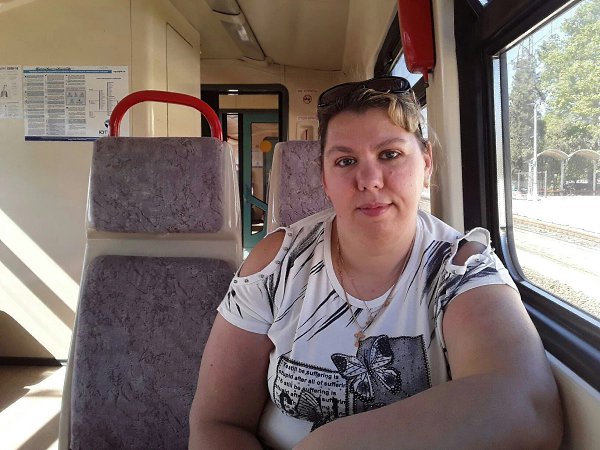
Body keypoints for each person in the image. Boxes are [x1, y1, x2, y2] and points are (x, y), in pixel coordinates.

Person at [189, 76, 562, 449]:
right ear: (325, 179)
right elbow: (218, 421)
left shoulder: (460, 269)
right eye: (346, 161)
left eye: (390, 154)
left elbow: (527, 407)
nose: (369, 180)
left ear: (426, 163)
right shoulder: (277, 262)